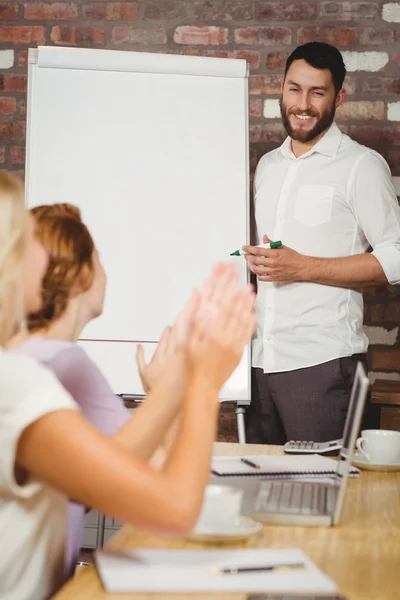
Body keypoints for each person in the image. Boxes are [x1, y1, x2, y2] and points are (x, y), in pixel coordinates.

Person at [0, 172, 256, 600]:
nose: (40, 260)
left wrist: (179, 375)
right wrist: (203, 380)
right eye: (22, 243)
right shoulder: (19, 382)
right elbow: (173, 507)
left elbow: (107, 465)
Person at [9, 203, 186, 577]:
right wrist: (170, 391)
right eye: (101, 259)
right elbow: (164, 480)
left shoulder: (22, 356)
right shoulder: (66, 363)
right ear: (85, 275)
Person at [243, 42, 400, 445]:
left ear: (339, 97)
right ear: (280, 89)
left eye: (318, 92)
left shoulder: (361, 166)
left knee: (326, 498)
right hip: (260, 363)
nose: (303, 104)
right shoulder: (267, 167)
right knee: (265, 495)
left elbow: (395, 257)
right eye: (294, 89)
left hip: (324, 365)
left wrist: (303, 267)